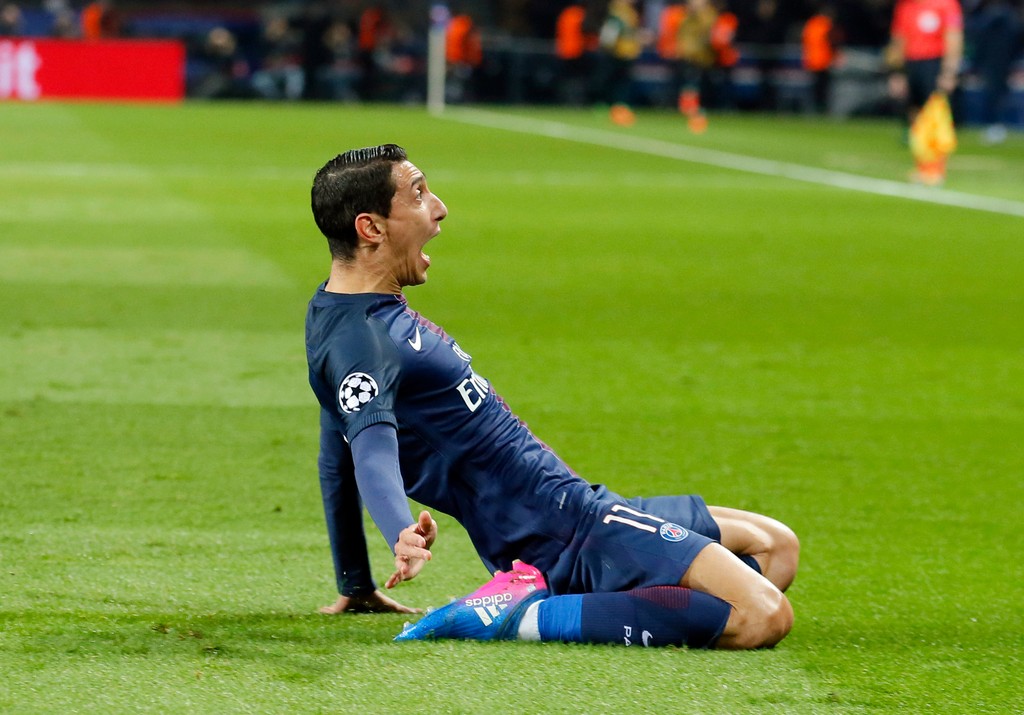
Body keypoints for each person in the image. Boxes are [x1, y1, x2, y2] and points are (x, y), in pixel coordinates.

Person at [306, 145, 798, 649]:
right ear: (371, 228)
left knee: (777, 549)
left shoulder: (336, 314)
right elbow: (368, 453)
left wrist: (355, 581)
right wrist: (400, 532)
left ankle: (600, 599)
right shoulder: (366, 342)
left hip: (575, 504)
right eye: (417, 194)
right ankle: (517, 615)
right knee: (763, 615)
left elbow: (336, 449)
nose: (439, 207)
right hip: (561, 533)